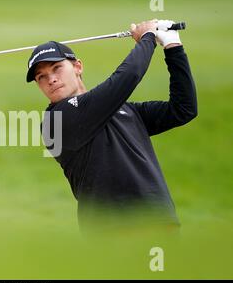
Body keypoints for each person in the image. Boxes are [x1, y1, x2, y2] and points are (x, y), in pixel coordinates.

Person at [26, 19, 197, 232]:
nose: (51, 79)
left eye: (57, 68)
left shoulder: (124, 110)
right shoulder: (56, 121)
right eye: (41, 77)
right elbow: (126, 77)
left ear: (77, 66)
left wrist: (173, 47)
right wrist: (148, 38)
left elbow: (183, 109)